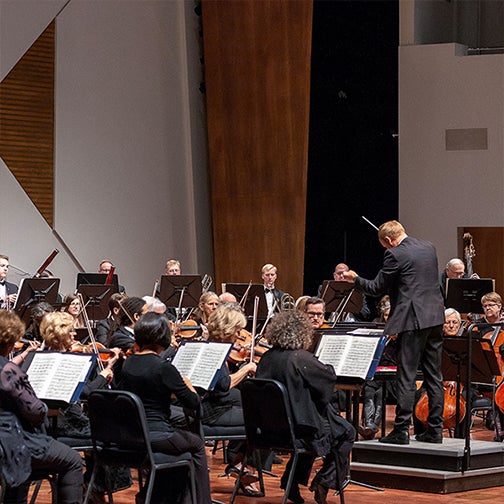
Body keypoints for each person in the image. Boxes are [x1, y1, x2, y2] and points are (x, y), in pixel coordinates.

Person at [343, 220, 445, 445]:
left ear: (389, 241)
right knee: (434, 375)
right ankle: (435, 430)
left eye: (385, 246)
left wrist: (355, 279)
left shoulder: (395, 255)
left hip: (413, 320)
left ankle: (400, 431)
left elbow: (376, 287)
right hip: (436, 317)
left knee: (406, 376)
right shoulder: (429, 247)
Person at [257, 310, 355, 504]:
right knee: (346, 432)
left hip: (269, 430)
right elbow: (327, 379)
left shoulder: (266, 357)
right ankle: (324, 480)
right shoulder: (299, 358)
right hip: (297, 430)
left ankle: (291, 482)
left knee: (312, 422)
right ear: (303, 333)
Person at [119, 312, 211, 503]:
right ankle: (202, 500)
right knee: (197, 445)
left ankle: (156, 496)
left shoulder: (128, 364)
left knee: (180, 448)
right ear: (163, 338)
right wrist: (189, 386)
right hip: (158, 436)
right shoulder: (163, 367)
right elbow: (193, 403)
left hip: (133, 436)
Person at [0, 310, 83, 503]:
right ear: (12, 340)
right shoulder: (9, 371)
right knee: (73, 460)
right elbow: (36, 411)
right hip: (9, 442)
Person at [203, 303, 262, 497]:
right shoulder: (215, 351)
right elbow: (223, 385)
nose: (239, 336)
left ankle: (239, 462)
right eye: (236, 331)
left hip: (211, 404)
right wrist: (245, 369)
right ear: (227, 329)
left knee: (253, 403)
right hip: (212, 411)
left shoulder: (213, 346)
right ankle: (241, 463)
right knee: (264, 422)